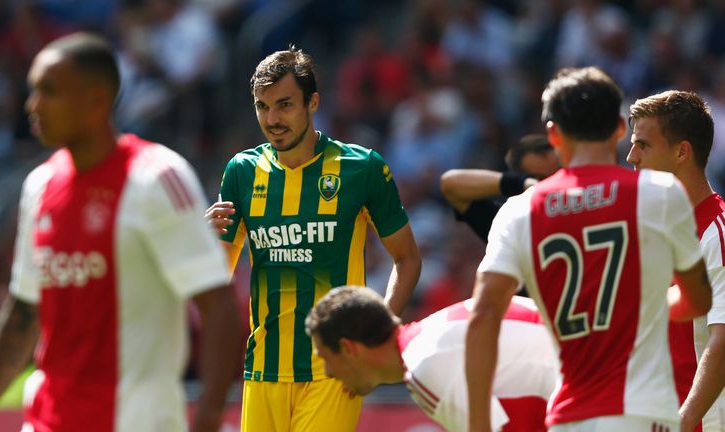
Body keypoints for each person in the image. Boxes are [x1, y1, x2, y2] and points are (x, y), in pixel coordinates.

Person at [0, 32, 240, 432]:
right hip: (48, 420)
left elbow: (220, 307)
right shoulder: (39, 186)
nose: (32, 105)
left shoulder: (157, 178)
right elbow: (23, 311)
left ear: (96, 100)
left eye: (49, 91)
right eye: (33, 91)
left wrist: (209, 416)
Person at [465, 66, 713, 432]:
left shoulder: (520, 210)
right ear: (617, 127)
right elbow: (697, 301)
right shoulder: (659, 195)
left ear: (553, 134)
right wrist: (637, 306)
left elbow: (484, 316)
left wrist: (477, 425)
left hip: (567, 416)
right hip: (643, 413)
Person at [205, 46, 421, 431]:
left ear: (313, 102)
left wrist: (377, 331)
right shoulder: (241, 171)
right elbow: (216, 279)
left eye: (285, 105)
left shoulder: (362, 168)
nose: (272, 119)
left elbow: (407, 258)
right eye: (262, 106)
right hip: (262, 369)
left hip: (333, 368)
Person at [306, 286, 558, 432]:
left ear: (348, 348)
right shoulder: (429, 339)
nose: (328, 372)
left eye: (326, 358)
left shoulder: (424, 366)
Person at [626, 90, 725, 432]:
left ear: (682, 151)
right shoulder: (652, 230)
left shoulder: (717, 232)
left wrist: (682, 422)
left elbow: (722, 339)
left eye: (643, 145)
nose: (631, 156)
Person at [440, 134, 559, 243]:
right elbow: (450, 183)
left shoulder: (576, 202)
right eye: (541, 178)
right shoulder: (507, 221)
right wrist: (522, 184)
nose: (552, 184)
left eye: (558, 173)